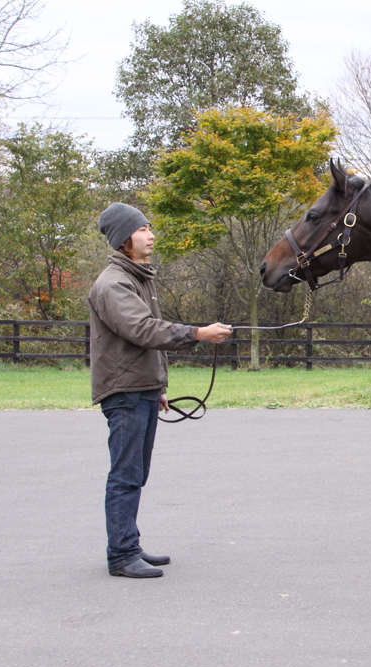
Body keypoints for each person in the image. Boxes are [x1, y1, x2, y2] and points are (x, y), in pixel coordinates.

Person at [89, 202, 233, 578]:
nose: (151, 235)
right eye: (142, 230)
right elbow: (143, 330)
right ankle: (120, 555)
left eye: (149, 228)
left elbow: (140, 341)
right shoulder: (114, 283)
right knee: (125, 474)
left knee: (136, 473)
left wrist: (158, 387)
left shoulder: (137, 277)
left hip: (140, 389)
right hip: (125, 392)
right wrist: (197, 333)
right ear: (124, 240)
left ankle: (129, 545)